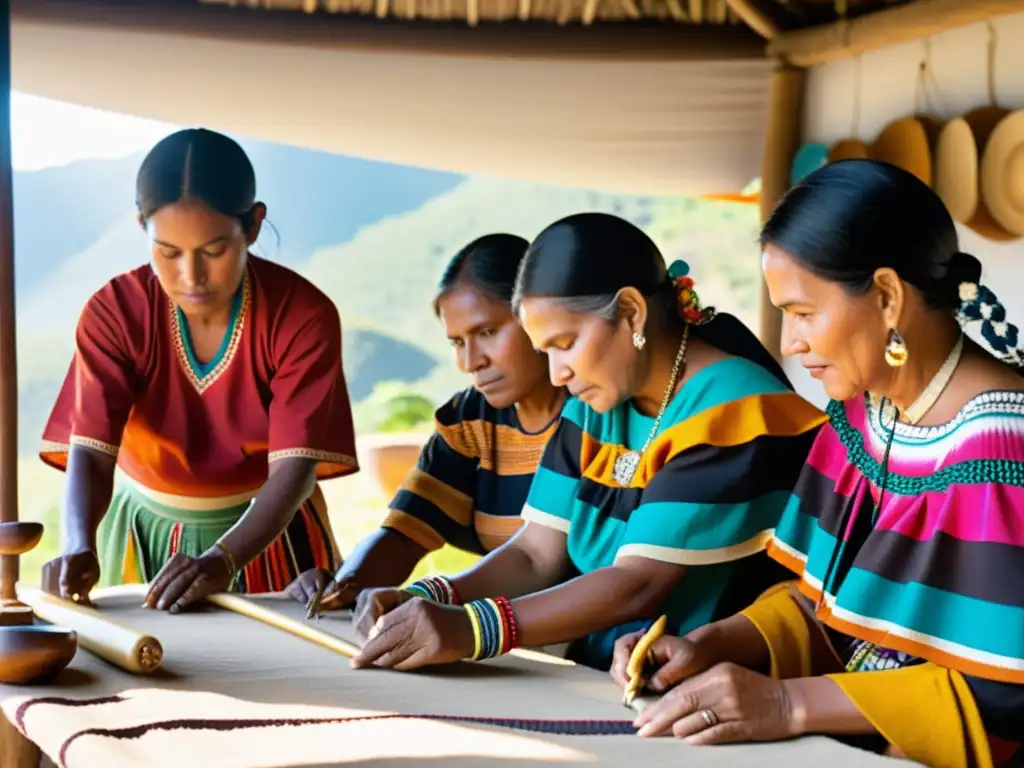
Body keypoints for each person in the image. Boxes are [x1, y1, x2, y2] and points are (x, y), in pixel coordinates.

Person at [610, 160, 1023, 767]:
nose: (789, 343)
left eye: (803, 312)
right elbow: (824, 603)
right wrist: (715, 643)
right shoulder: (862, 417)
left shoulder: (1002, 456)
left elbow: (1002, 694)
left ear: (886, 297)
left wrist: (786, 704)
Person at [347, 212, 826, 673]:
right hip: (608, 675)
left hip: (711, 683)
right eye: (545, 352)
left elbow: (638, 584)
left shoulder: (736, 412)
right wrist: (432, 596)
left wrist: (473, 628)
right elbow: (536, 552)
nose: (557, 373)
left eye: (565, 343)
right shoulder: (594, 405)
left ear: (631, 313)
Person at [38, 128, 358, 614]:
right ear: (141, 226)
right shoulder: (116, 312)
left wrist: (221, 559)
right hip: (145, 531)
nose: (191, 276)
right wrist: (78, 543)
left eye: (214, 251)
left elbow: (295, 470)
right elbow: (93, 451)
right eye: (168, 252)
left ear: (252, 225)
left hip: (274, 531)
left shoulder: (302, 315)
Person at [286, 234, 565, 610]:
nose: (470, 363)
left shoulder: (597, 415)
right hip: (511, 636)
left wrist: (430, 599)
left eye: (487, 332)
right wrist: (346, 583)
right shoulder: (469, 420)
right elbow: (404, 532)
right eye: (456, 342)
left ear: (538, 316)